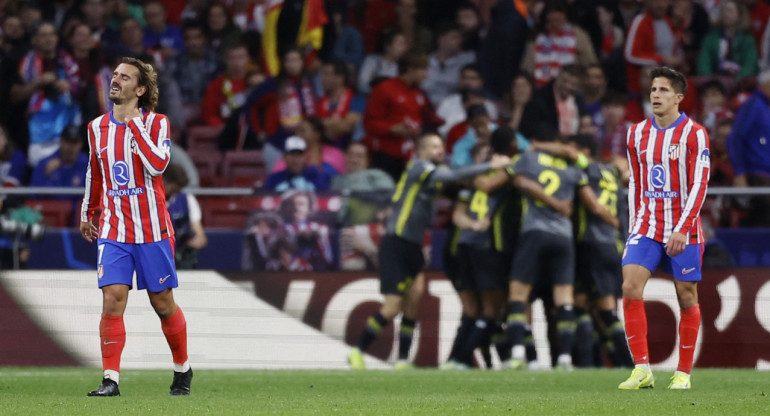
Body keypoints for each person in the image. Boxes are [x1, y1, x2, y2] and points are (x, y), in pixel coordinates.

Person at [347, 133, 511, 370]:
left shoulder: (434, 172)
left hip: (413, 244)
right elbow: (452, 175)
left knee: (414, 301)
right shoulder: (419, 167)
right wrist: (490, 165)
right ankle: (357, 351)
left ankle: (403, 361)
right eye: (434, 146)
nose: (440, 149)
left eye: (441, 145)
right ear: (421, 150)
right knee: (393, 306)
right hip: (396, 241)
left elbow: (455, 178)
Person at [79, 57, 191, 397]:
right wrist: (88, 211)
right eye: (114, 74)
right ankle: (110, 379)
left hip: (152, 228)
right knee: (112, 299)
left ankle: (182, 369)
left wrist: (135, 126)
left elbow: (158, 165)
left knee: (162, 303)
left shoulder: (157, 123)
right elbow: (94, 172)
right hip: (114, 228)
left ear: (140, 89)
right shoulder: (96, 128)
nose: (115, 80)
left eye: (125, 77)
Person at [618, 67, 710, 390]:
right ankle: (642, 369)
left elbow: (700, 183)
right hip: (647, 225)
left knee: (686, 295)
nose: (655, 94)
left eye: (664, 90)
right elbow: (635, 184)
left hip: (683, 229)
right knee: (630, 286)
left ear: (679, 98)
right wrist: (633, 226)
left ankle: (683, 373)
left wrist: (683, 227)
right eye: (653, 89)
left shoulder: (694, 134)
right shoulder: (635, 134)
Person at [503, 130, 618, 372]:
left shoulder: (529, 159)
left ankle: (517, 355)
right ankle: (565, 358)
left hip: (533, 233)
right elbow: (589, 200)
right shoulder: (573, 169)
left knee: (518, 296)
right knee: (564, 300)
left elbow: (517, 181)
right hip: (564, 238)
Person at [569, 134, 633, 368]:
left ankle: (626, 364)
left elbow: (594, 206)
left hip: (592, 243)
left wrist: (609, 218)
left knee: (601, 308)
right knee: (586, 304)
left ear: (584, 152)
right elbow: (625, 172)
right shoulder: (611, 171)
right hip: (614, 245)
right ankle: (596, 364)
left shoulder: (585, 170)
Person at [363, 51, 444, 181]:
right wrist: (392, 129)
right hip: (386, 155)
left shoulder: (419, 94)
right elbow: (369, 123)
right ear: (410, 69)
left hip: (411, 156)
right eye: (423, 70)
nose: (426, 75)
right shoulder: (384, 89)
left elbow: (428, 120)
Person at [726, 68, 770, 226]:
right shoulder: (753, 105)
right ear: (766, 84)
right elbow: (735, 138)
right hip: (757, 173)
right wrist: (740, 173)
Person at [697, 0, 759, 80]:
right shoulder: (710, 38)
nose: (726, 14)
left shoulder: (748, 40)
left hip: (740, 83)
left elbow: (750, 66)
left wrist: (736, 81)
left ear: (739, 15)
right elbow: (703, 64)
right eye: (724, 10)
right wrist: (711, 82)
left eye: (730, 10)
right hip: (715, 82)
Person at [164, 164, 207, 269]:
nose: (176, 191)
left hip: (181, 261)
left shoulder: (187, 200)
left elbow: (200, 235)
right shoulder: (148, 202)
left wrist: (198, 241)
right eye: (173, 187)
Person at [30, 126, 89, 202]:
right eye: (68, 142)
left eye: (74, 143)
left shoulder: (87, 165)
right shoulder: (45, 164)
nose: (70, 147)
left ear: (80, 144)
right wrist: (46, 175)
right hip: (51, 210)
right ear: (61, 142)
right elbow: (33, 195)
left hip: (79, 210)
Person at [264, 136, 336, 192]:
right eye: (292, 154)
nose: (295, 159)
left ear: (305, 156)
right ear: (284, 157)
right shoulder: (274, 179)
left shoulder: (316, 177)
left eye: (299, 154)